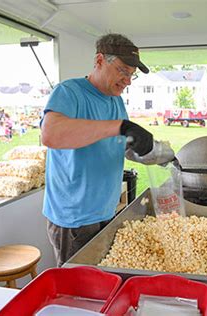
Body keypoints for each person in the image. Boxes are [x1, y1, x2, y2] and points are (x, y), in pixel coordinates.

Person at [41, 33, 153, 267]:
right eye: (123, 70)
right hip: (74, 218)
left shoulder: (115, 101)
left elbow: (118, 144)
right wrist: (120, 126)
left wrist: (146, 152)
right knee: (77, 291)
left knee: (101, 282)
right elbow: (50, 135)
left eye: (131, 75)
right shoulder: (70, 92)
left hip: (106, 210)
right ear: (100, 60)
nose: (127, 81)